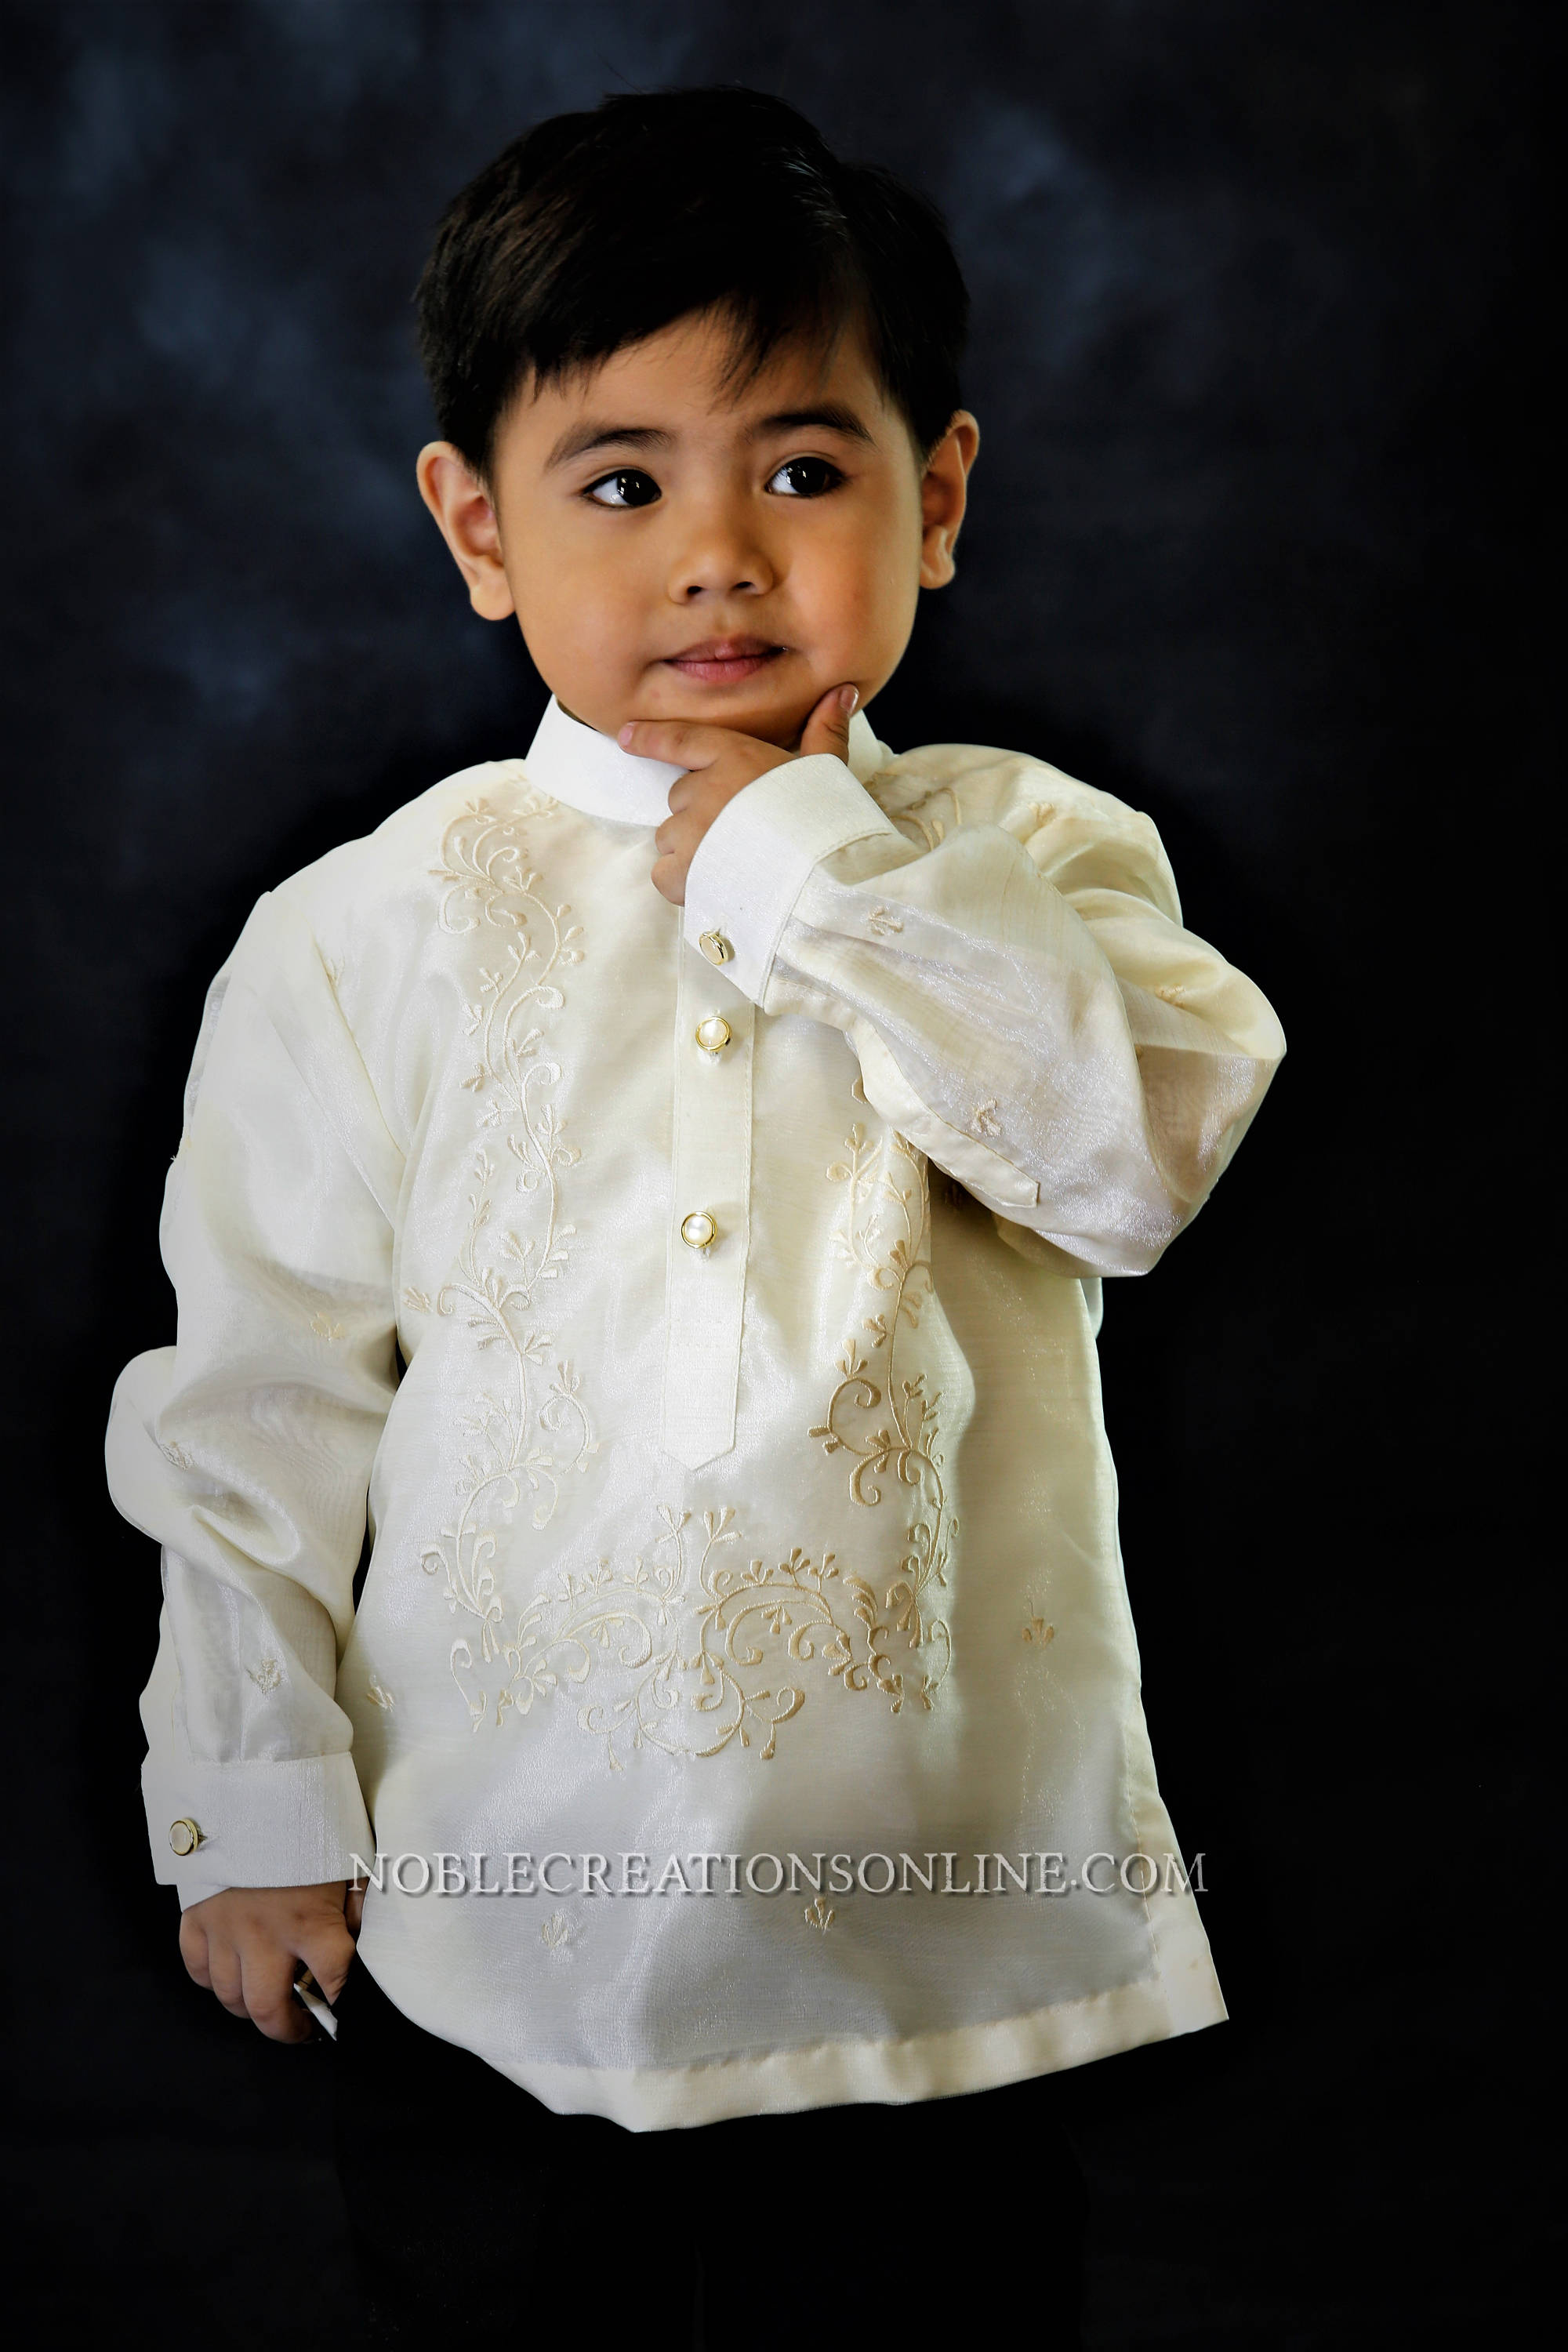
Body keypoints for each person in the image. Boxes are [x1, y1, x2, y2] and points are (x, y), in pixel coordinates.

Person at [104, 86, 1285, 2345]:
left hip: (926, 1958)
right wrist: (250, 1799)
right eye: (621, 482)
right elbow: (254, 1403)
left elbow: (1128, 1167)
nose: (718, 552)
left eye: (804, 469)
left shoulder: (1031, 861)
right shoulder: (366, 934)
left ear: (938, 499)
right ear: (478, 528)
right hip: (493, 1941)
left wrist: (796, 858)